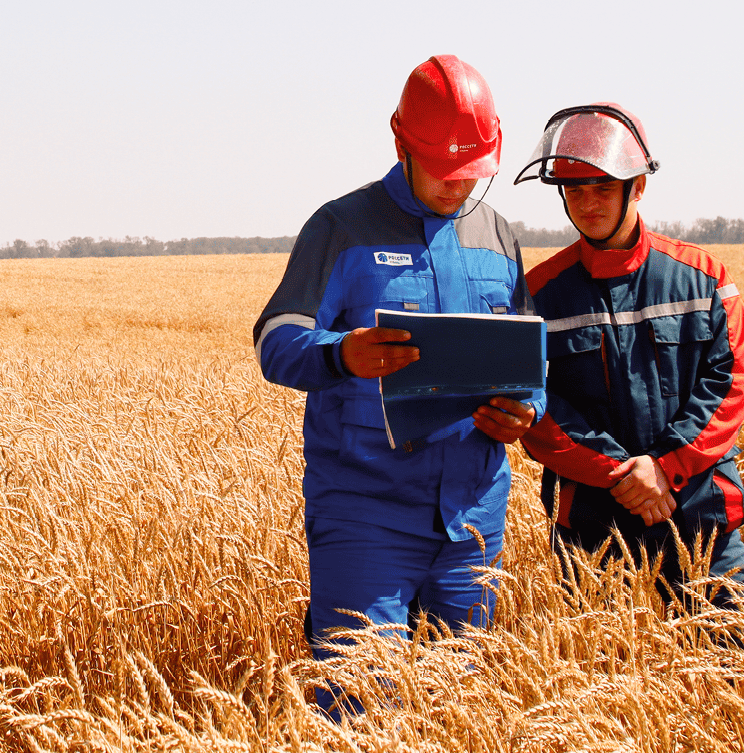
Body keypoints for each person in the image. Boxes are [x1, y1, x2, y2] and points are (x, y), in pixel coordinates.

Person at [253, 55, 542, 711]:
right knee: (360, 703)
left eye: (472, 170)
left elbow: (530, 360)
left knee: (457, 707)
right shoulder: (340, 228)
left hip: (473, 518)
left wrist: (525, 410)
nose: (455, 184)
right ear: (398, 140)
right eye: (442, 168)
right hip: (366, 515)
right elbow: (276, 341)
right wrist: (341, 353)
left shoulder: (496, 235)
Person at [512, 103, 744, 615]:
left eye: (602, 188)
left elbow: (730, 383)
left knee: (739, 671)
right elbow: (535, 408)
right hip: (594, 529)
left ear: (638, 187)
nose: (587, 203)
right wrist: (625, 476)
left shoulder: (705, 278)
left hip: (699, 517)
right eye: (574, 190)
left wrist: (666, 469)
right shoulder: (538, 295)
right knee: (605, 681)